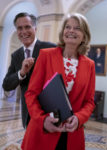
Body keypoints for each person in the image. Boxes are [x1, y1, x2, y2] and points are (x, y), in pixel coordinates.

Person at [21, 13, 95, 150]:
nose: (71, 31)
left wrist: (79, 118)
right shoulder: (46, 55)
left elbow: (89, 102)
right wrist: (42, 120)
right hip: (43, 131)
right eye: (68, 27)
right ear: (63, 33)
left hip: (72, 135)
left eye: (77, 28)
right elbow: (31, 93)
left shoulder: (90, 65)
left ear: (84, 36)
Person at [2, 12, 56, 129]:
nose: (23, 32)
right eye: (19, 28)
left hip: (49, 111)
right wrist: (21, 73)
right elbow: (6, 85)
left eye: (27, 27)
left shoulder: (50, 48)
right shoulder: (16, 55)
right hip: (28, 113)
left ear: (35, 28)